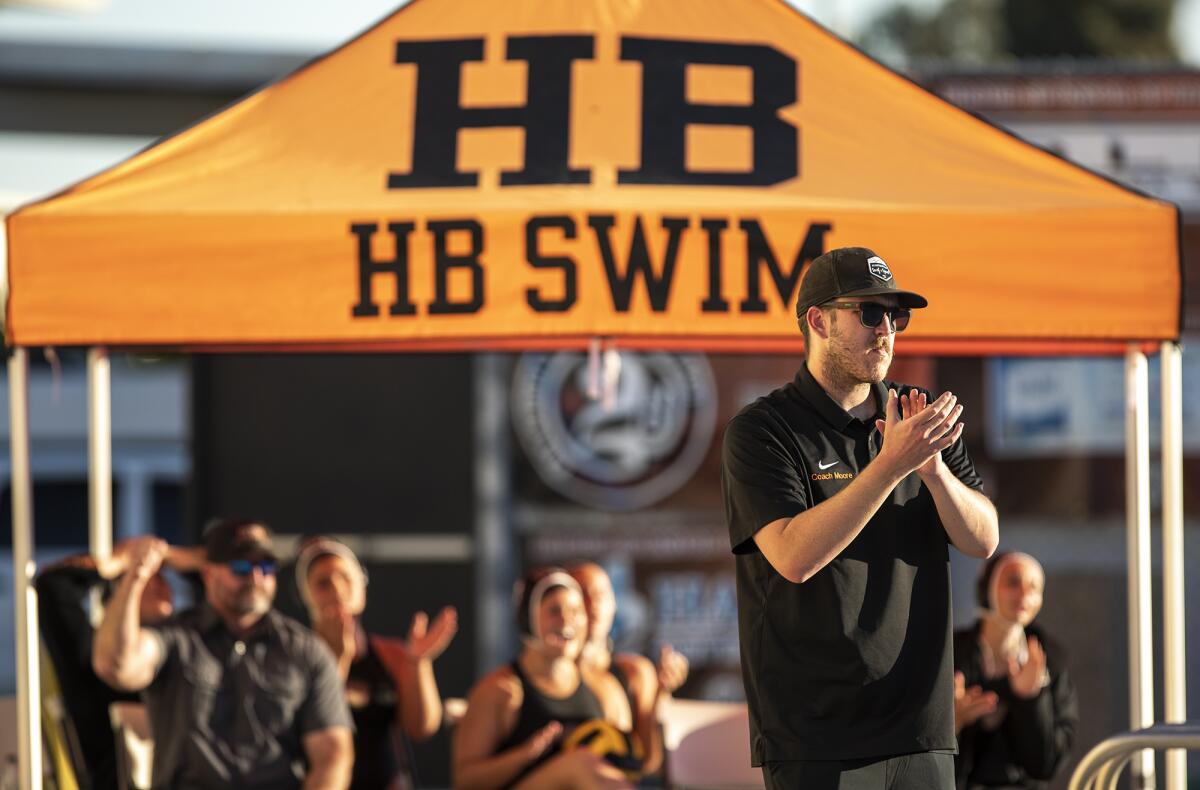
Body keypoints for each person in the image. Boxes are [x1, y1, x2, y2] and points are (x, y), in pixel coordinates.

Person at [721, 246, 1000, 790]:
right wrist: (891, 465)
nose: (886, 331)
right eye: (869, 313)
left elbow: (984, 538)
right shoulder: (764, 430)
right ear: (818, 320)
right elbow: (794, 556)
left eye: (896, 317)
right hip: (819, 738)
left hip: (922, 728)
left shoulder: (917, 417)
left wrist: (935, 472)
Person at [92, 518, 354, 789]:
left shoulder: (305, 650)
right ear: (208, 574)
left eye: (265, 566)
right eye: (241, 567)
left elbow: (333, 754)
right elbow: (115, 664)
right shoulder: (175, 637)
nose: (255, 577)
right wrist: (136, 576)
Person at [36, 536, 203, 789]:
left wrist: (170, 556)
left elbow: (226, 582)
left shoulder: (189, 645)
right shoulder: (91, 658)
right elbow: (54, 587)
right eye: (146, 576)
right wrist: (118, 562)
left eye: (164, 576)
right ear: (114, 593)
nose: (161, 584)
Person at [294, 536, 458, 790]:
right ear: (307, 597)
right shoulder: (294, 658)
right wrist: (338, 659)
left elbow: (421, 728)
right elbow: (308, 728)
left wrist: (417, 663)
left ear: (362, 588)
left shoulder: (389, 654)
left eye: (345, 578)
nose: (337, 589)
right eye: (323, 583)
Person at [452, 567, 634, 790]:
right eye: (554, 611)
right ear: (528, 620)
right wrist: (526, 755)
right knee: (579, 765)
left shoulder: (603, 688)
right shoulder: (502, 691)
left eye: (576, 611)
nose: (567, 621)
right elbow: (465, 781)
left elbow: (632, 769)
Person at [952, 552, 1077, 790]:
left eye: (1034, 587)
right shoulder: (951, 651)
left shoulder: (1051, 659)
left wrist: (1032, 699)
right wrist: (953, 722)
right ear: (986, 589)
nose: (1024, 595)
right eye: (1013, 582)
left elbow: (1046, 763)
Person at [567, 562, 690, 779]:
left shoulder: (635, 672)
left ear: (614, 605)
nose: (593, 603)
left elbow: (649, 765)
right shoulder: (545, 677)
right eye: (583, 593)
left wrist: (661, 694)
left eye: (602, 594)